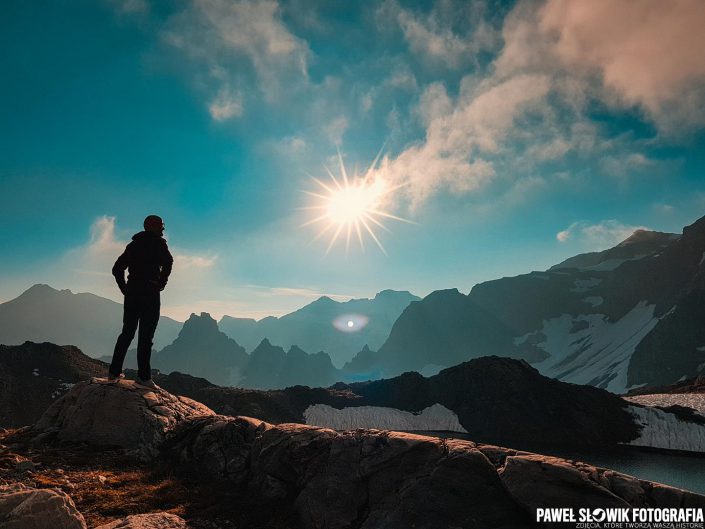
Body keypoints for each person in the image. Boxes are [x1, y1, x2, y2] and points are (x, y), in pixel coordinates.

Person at [108, 215, 173, 388]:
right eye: (160, 225)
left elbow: (116, 269)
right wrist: (161, 283)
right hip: (149, 293)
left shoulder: (133, 245)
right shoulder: (158, 243)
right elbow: (168, 262)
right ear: (151, 226)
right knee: (146, 335)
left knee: (127, 332)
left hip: (132, 293)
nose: (163, 228)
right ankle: (143, 377)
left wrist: (125, 289)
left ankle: (113, 373)